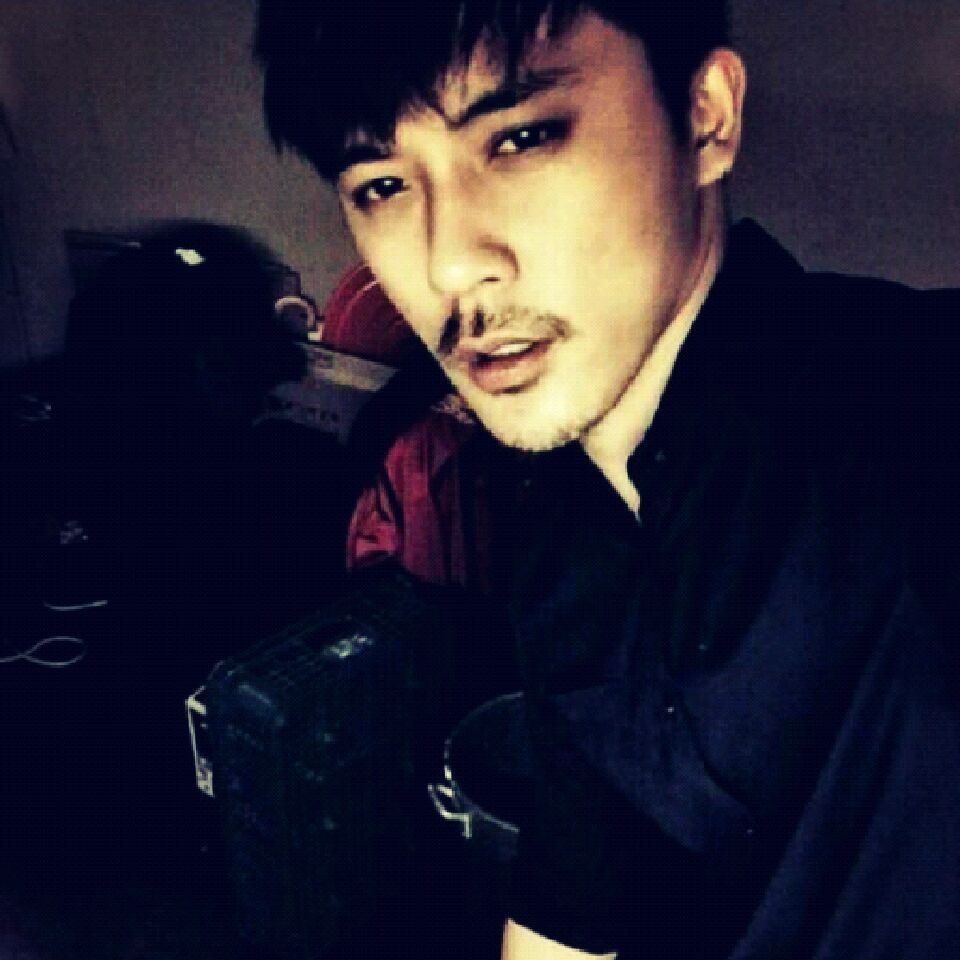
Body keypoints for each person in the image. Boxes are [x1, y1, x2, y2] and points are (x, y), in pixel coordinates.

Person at [254, 2, 960, 958]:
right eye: (382, 184)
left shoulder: (908, 415)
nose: (450, 261)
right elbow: (570, 907)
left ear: (705, 116)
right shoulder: (560, 532)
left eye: (520, 138)